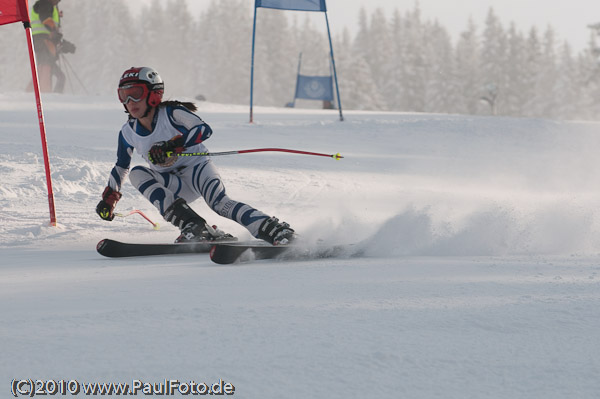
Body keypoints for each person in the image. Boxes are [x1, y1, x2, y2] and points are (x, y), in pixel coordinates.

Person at [96, 67, 295, 245]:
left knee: (219, 204)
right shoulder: (128, 132)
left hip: (198, 170)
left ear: (153, 94)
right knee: (137, 173)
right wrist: (110, 198)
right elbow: (122, 166)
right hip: (174, 185)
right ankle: (193, 225)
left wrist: (174, 144)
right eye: (124, 95)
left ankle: (274, 229)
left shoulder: (171, 113)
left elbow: (203, 129)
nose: (130, 102)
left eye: (136, 94)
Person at [30, 0, 76, 93]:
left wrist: (63, 44)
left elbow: (53, 34)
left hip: (45, 41)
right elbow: (45, 18)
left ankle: (35, 94)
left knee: (59, 76)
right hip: (42, 40)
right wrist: (54, 31)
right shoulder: (44, 3)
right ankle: (45, 94)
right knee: (45, 67)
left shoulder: (49, 6)